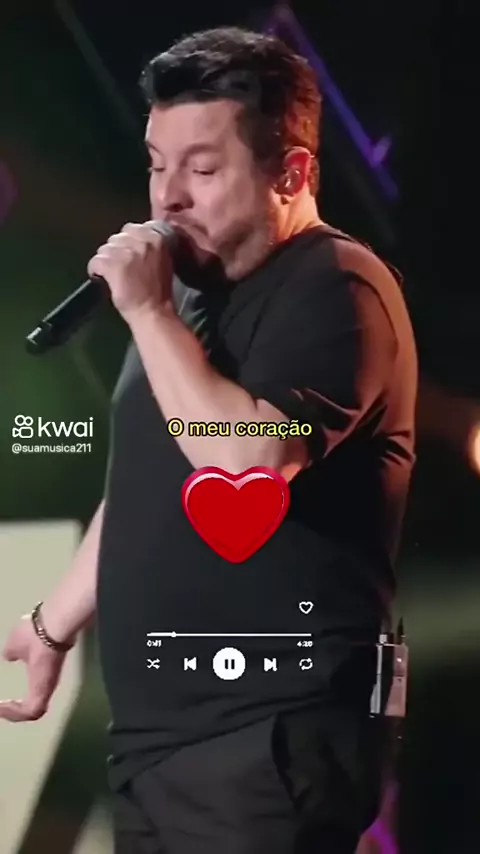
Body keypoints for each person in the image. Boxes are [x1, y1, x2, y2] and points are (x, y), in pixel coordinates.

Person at [0, 26, 417, 854]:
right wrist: (51, 626)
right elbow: (149, 490)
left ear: (290, 173)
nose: (167, 199)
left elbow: (243, 462)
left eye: (201, 168)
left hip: (268, 740)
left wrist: (148, 312)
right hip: (159, 745)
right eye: (157, 166)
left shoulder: (337, 288)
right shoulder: (186, 305)